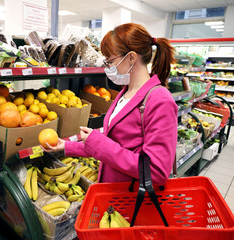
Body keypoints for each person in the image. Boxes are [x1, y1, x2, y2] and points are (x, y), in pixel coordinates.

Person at [45, 23, 178, 185]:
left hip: (132, 201)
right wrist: (66, 146)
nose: (106, 65)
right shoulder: (126, 92)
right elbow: (116, 145)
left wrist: (98, 142)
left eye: (110, 60)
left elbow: (156, 171)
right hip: (113, 193)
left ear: (131, 58)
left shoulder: (160, 100)